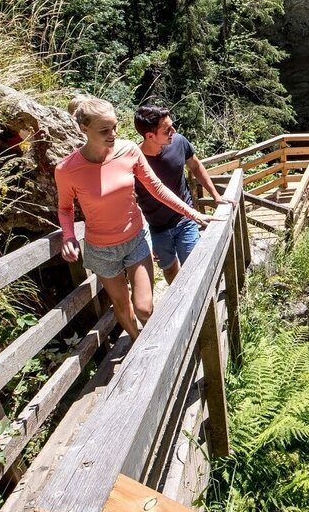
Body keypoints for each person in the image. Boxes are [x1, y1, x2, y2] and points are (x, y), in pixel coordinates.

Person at [56, 95, 213, 340]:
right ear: (84, 129)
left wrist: (191, 213)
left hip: (135, 238)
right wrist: (68, 236)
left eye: (115, 126)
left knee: (144, 308)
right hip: (100, 248)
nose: (113, 134)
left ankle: (153, 342)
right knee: (122, 305)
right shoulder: (67, 169)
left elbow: (156, 187)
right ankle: (137, 342)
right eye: (105, 130)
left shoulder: (128, 150)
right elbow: (65, 208)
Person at [133, 104, 233, 282]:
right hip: (156, 226)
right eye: (167, 130)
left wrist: (216, 196)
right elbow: (131, 199)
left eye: (172, 126)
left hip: (185, 218)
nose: (174, 131)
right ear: (150, 136)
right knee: (170, 270)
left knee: (194, 266)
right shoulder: (134, 160)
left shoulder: (179, 142)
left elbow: (196, 165)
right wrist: (145, 236)